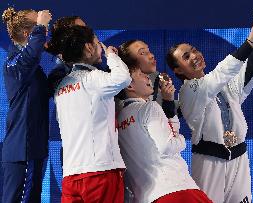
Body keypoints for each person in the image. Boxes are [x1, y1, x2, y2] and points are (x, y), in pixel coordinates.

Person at [166, 16, 253, 203]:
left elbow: (246, 72)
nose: (194, 56)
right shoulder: (188, 92)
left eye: (194, 51)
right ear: (178, 71)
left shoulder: (222, 85)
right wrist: (250, 41)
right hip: (209, 162)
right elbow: (221, 73)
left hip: (239, 159)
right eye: (186, 57)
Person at [52, 25, 131, 202]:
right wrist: (112, 56)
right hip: (100, 172)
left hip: (71, 175)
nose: (100, 47)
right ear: (88, 47)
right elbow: (124, 78)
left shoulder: (60, 87)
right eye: (97, 43)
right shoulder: (94, 78)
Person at [116, 65, 213, 203]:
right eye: (141, 75)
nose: (147, 77)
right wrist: (182, 140)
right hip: (176, 191)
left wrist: (168, 103)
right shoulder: (149, 107)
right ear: (130, 85)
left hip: (146, 197)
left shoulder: (117, 119)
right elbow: (167, 146)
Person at [1, 7, 51, 202]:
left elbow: (48, 89)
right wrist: (40, 27)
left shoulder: (32, 69)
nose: (46, 31)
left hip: (32, 149)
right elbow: (29, 57)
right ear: (26, 33)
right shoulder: (14, 62)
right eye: (39, 27)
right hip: (23, 149)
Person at [118, 40, 176, 119]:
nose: (151, 55)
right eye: (142, 53)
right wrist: (167, 101)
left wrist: (169, 100)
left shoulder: (160, 78)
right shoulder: (117, 99)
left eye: (148, 51)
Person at [46, 16, 86, 97]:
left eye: (86, 29)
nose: (88, 33)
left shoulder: (94, 63)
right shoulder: (58, 75)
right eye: (82, 30)